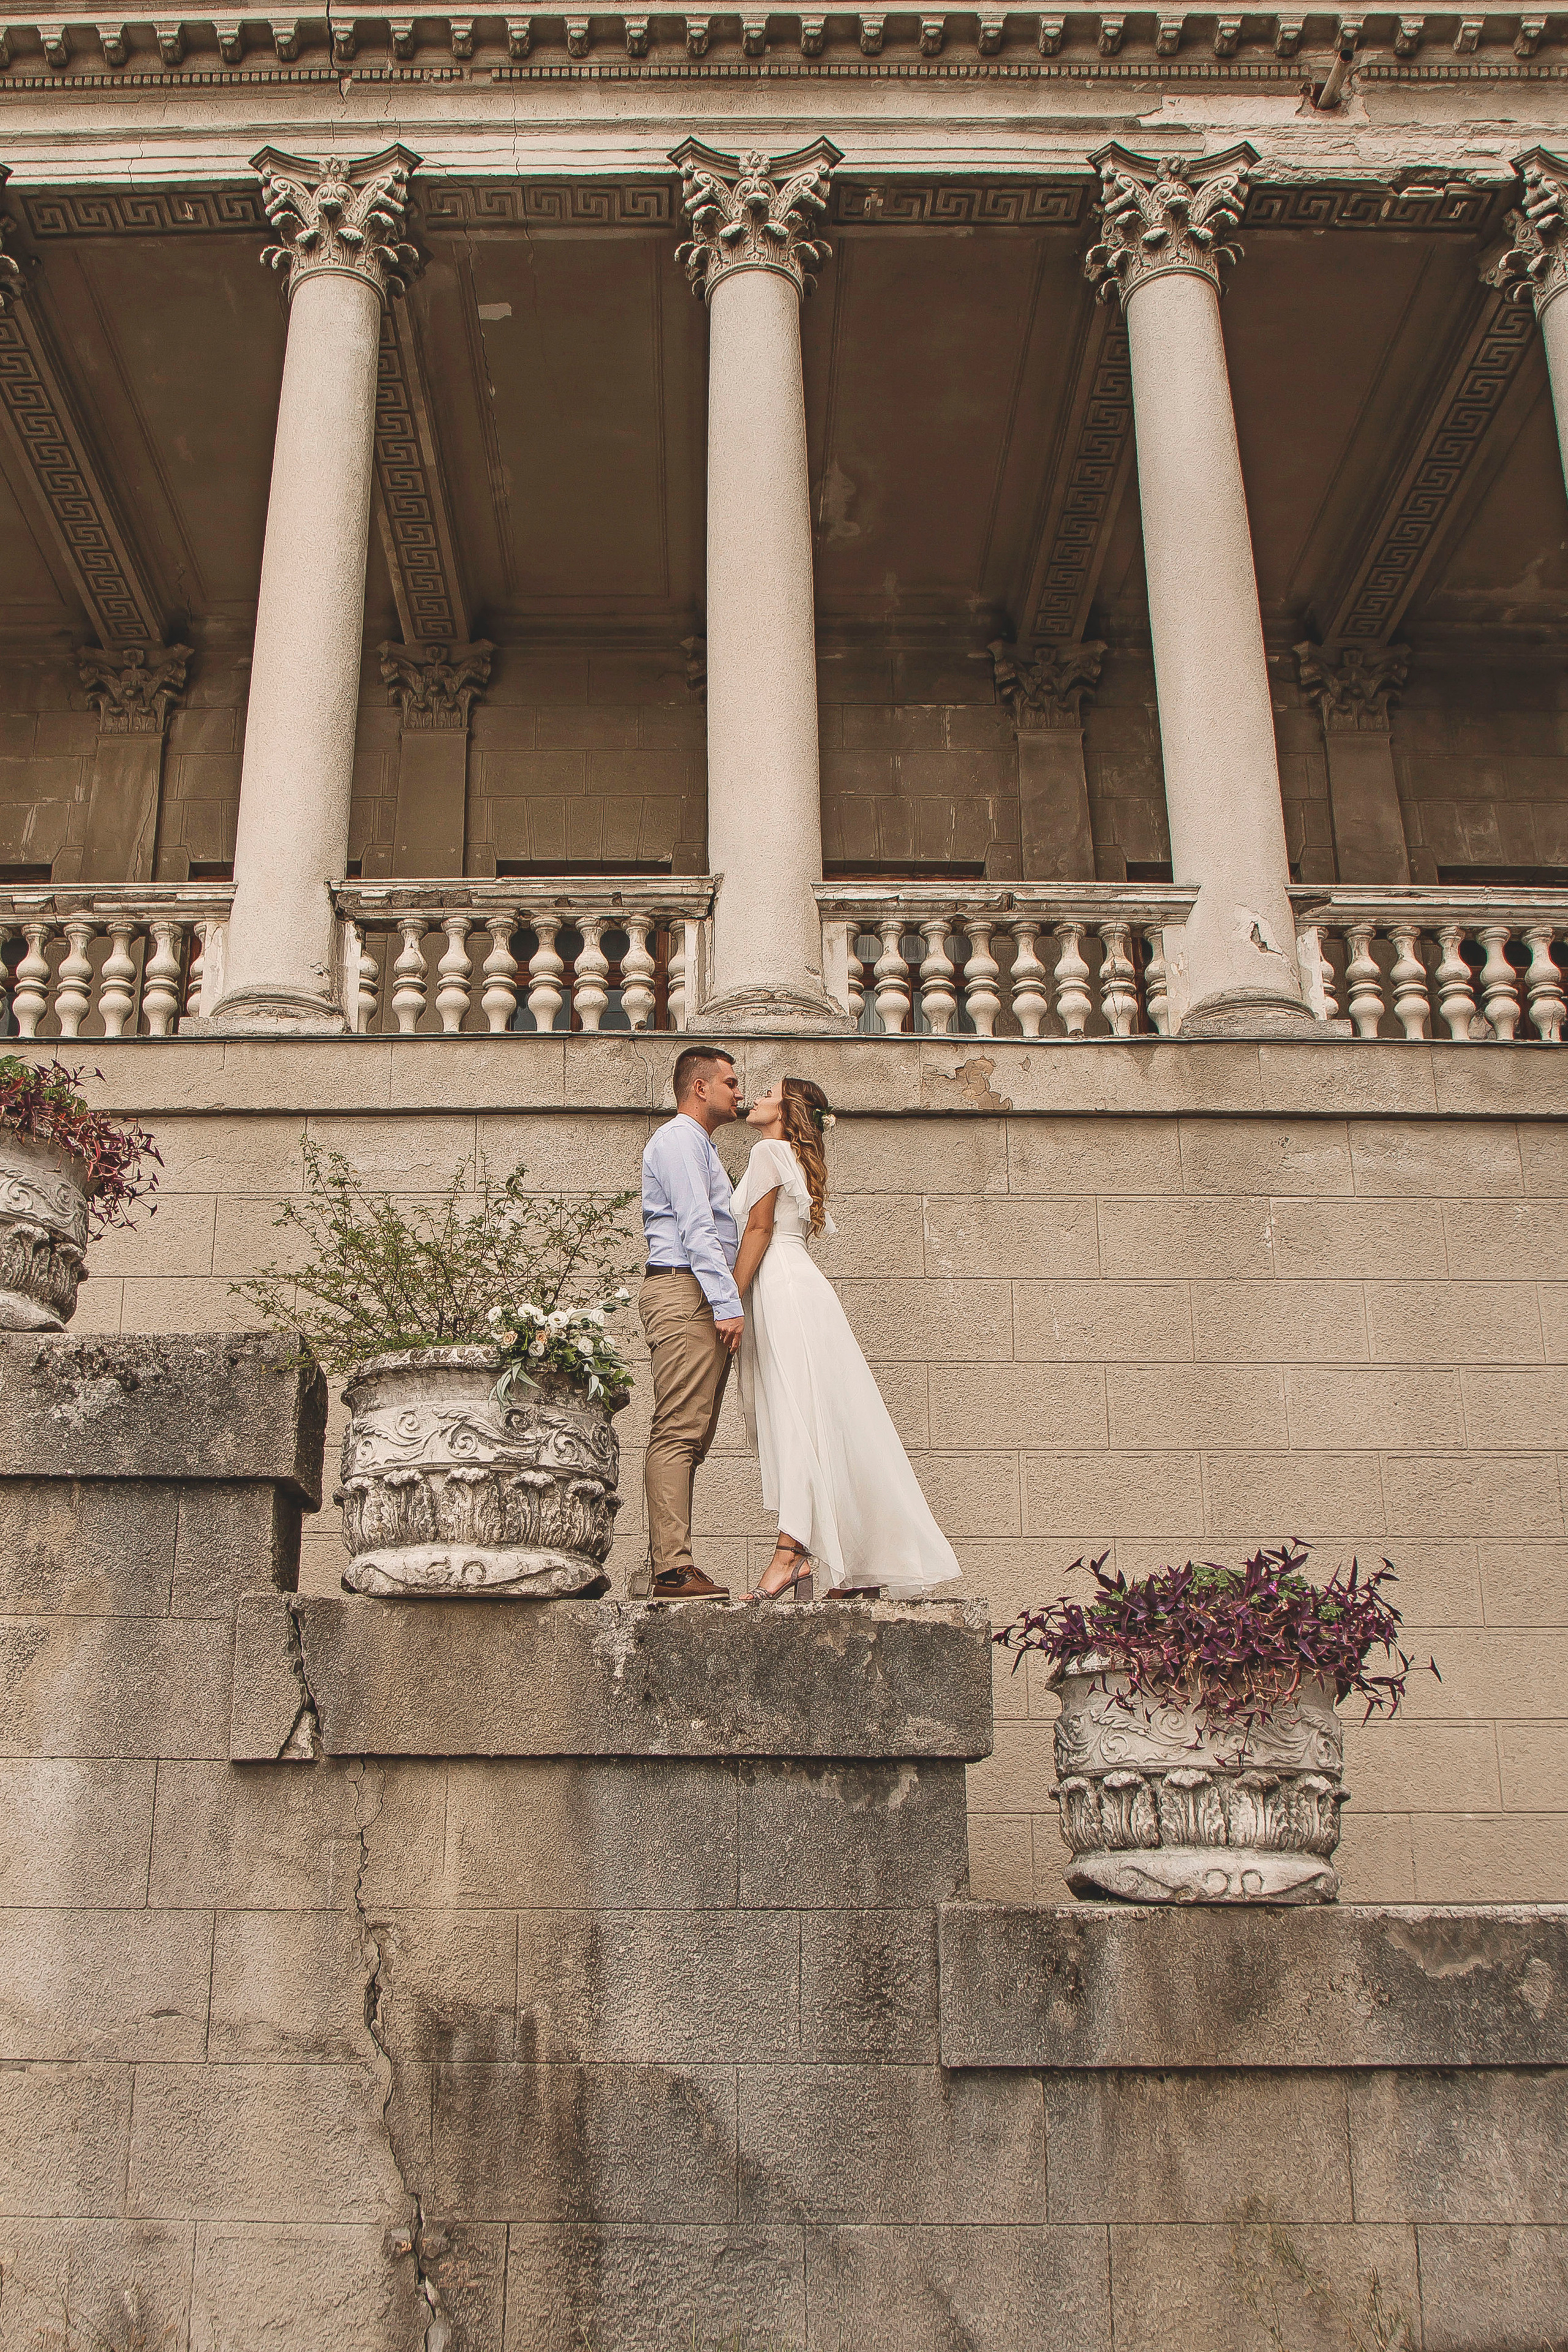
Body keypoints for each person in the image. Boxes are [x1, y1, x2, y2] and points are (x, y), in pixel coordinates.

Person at [730, 1076, 962, 1602]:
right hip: (796, 1284)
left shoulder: (769, 1151)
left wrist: (729, 1301)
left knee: (798, 1418)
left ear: (787, 1110)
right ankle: (849, 1562)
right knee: (819, 1417)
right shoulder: (788, 1155)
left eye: (767, 1093)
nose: (755, 1099)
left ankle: (790, 1555)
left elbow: (760, 1230)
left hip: (781, 1284)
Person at [638, 1044, 745, 1602]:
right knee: (679, 1430)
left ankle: (666, 1562)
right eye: (731, 1082)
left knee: (690, 1434)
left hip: (692, 1289)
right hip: (687, 1291)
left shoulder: (697, 1145)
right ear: (699, 1087)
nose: (739, 1091)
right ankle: (671, 1570)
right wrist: (726, 1302)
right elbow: (698, 1227)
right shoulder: (680, 1140)